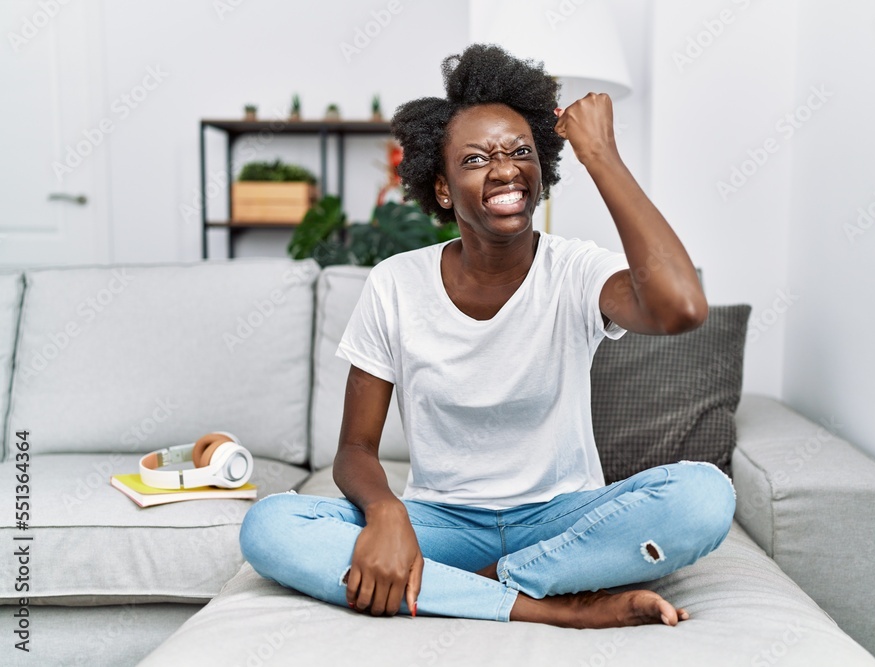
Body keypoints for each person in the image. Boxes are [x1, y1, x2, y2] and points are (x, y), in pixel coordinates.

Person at [240, 44, 735, 629]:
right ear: (443, 189)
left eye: (520, 152)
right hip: (442, 524)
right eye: (476, 159)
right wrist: (387, 513)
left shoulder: (576, 270)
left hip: (565, 518)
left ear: (541, 171)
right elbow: (354, 450)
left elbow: (681, 307)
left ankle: (478, 590)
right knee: (270, 528)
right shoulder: (396, 284)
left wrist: (600, 154)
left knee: (704, 496)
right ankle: (553, 603)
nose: (504, 169)